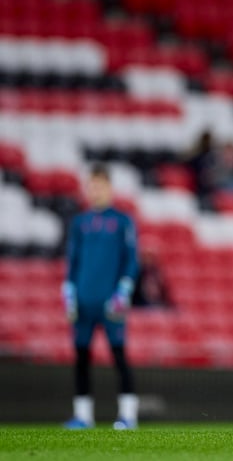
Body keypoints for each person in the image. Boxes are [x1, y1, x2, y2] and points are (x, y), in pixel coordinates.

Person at [61, 163, 139, 430]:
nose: (95, 191)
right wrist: (68, 292)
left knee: (118, 355)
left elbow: (131, 260)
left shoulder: (122, 221)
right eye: (91, 186)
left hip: (110, 302)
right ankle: (83, 416)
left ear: (109, 187)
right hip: (83, 302)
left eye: (99, 186)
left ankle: (128, 415)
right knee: (81, 358)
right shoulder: (80, 223)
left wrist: (124, 290)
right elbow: (72, 261)